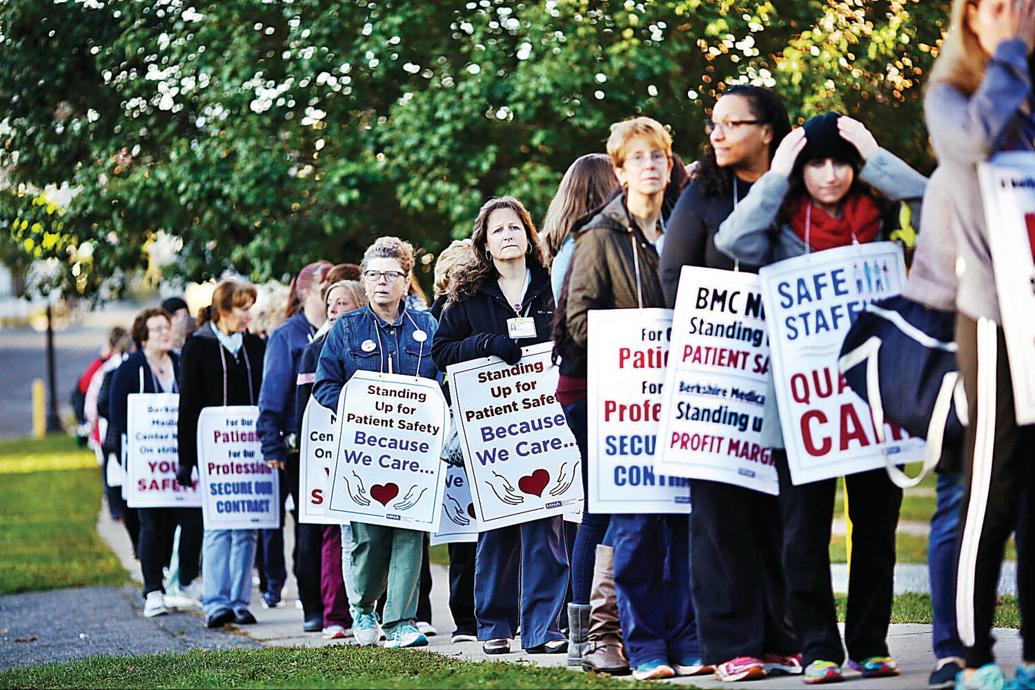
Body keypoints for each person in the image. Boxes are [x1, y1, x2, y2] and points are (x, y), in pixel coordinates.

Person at [715, 112, 927, 684]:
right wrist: (779, 174)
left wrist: (878, 154)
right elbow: (733, 238)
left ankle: (869, 643)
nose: (830, 176)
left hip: (874, 400)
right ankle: (818, 649)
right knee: (802, 529)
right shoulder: (781, 224)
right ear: (801, 170)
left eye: (841, 163)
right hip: (804, 405)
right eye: (817, 164)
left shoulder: (881, 216)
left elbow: (935, 203)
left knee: (876, 525)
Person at [659, 85, 802, 683]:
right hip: (717, 379)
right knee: (721, 517)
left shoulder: (801, 188)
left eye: (731, 123)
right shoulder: (702, 193)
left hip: (791, 378)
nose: (715, 134)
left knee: (784, 512)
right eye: (712, 124)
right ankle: (732, 644)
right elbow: (675, 274)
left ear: (767, 130)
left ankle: (784, 637)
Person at [562, 117, 701, 681]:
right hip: (625, 398)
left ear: (670, 165)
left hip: (688, 393)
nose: (650, 165)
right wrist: (634, 340)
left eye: (659, 156)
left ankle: (688, 641)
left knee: (684, 523)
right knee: (637, 525)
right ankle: (644, 647)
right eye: (637, 157)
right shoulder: (599, 235)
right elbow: (575, 318)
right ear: (618, 169)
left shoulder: (688, 224)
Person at [925, 1, 1035, 688]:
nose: (1014, 14)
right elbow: (970, 143)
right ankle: (965, 653)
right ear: (969, 19)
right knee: (989, 488)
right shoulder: (953, 95)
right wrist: (1006, 58)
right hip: (995, 318)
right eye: (996, 5)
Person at [431, 197, 570, 657]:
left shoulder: (553, 285)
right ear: (485, 243)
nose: (508, 235)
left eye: (515, 227)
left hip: (545, 422)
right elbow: (442, 351)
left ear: (529, 236)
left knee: (546, 525)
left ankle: (544, 629)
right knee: (498, 524)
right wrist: (488, 343)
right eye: (498, 230)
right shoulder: (468, 295)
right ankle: (494, 626)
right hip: (493, 427)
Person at [313, 236, 440, 650]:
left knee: (409, 534)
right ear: (364, 282)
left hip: (415, 455)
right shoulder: (346, 329)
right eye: (372, 275)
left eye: (390, 275)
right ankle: (364, 607)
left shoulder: (427, 328)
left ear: (406, 281)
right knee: (369, 540)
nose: (381, 282)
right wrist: (356, 411)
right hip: (364, 454)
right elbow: (324, 386)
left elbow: (442, 384)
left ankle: (401, 620)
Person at [538, 153, 619, 666]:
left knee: (594, 508)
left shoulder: (562, 246)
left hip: (575, 387)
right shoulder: (593, 244)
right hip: (597, 382)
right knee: (602, 509)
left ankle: (577, 629)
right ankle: (589, 627)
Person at [175, 279, 266, 628]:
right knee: (217, 525)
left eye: (250, 308)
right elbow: (188, 406)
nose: (248, 315)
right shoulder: (198, 346)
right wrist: (186, 458)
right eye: (242, 308)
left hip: (249, 452)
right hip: (214, 453)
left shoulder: (255, 346)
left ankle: (240, 600)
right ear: (223, 310)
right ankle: (215, 601)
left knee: (247, 526)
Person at [109, 307, 203, 617]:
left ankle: (185, 580)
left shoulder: (180, 362)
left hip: (179, 461)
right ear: (143, 336)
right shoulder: (130, 368)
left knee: (192, 521)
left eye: (167, 327)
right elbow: (119, 415)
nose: (166, 332)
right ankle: (153, 591)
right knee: (152, 525)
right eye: (158, 328)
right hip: (146, 463)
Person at [256, 260, 331, 632]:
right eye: (324, 286)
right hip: (300, 448)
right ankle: (313, 606)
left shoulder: (344, 330)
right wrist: (271, 445)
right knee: (308, 528)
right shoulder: (288, 335)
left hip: (341, 446)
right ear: (305, 293)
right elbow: (271, 395)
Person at [293, 279, 367, 640]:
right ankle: (334, 616)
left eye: (344, 303)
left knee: (371, 535)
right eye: (331, 304)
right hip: (327, 454)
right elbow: (303, 409)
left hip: (373, 454)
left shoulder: (375, 343)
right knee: (333, 535)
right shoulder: (315, 350)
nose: (336, 311)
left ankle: (370, 612)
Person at [428, 239, 480, 644]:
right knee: (460, 532)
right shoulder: (432, 322)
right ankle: (465, 617)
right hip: (448, 434)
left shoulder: (486, 308)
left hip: (488, 426)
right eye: (455, 273)